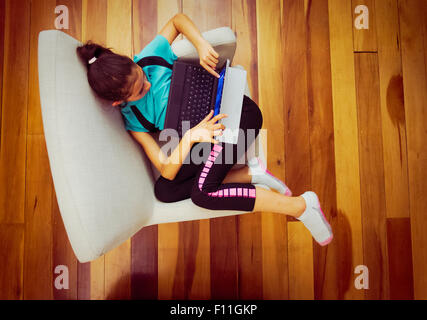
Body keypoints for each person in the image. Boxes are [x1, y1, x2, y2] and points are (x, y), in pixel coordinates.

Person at [76, 13, 333, 246]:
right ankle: (248, 173)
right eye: (140, 90)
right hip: (205, 137)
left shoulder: (149, 58)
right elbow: (166, 168)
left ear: (132, 62)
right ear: (119, 102)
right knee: (165, 190)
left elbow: (177, 21)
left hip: (239, 116)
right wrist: (190, 138)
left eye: (142, 74)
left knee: (203, 194)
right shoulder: (134, 120)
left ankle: (300, 206)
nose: (147, 82)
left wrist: (199, 43)